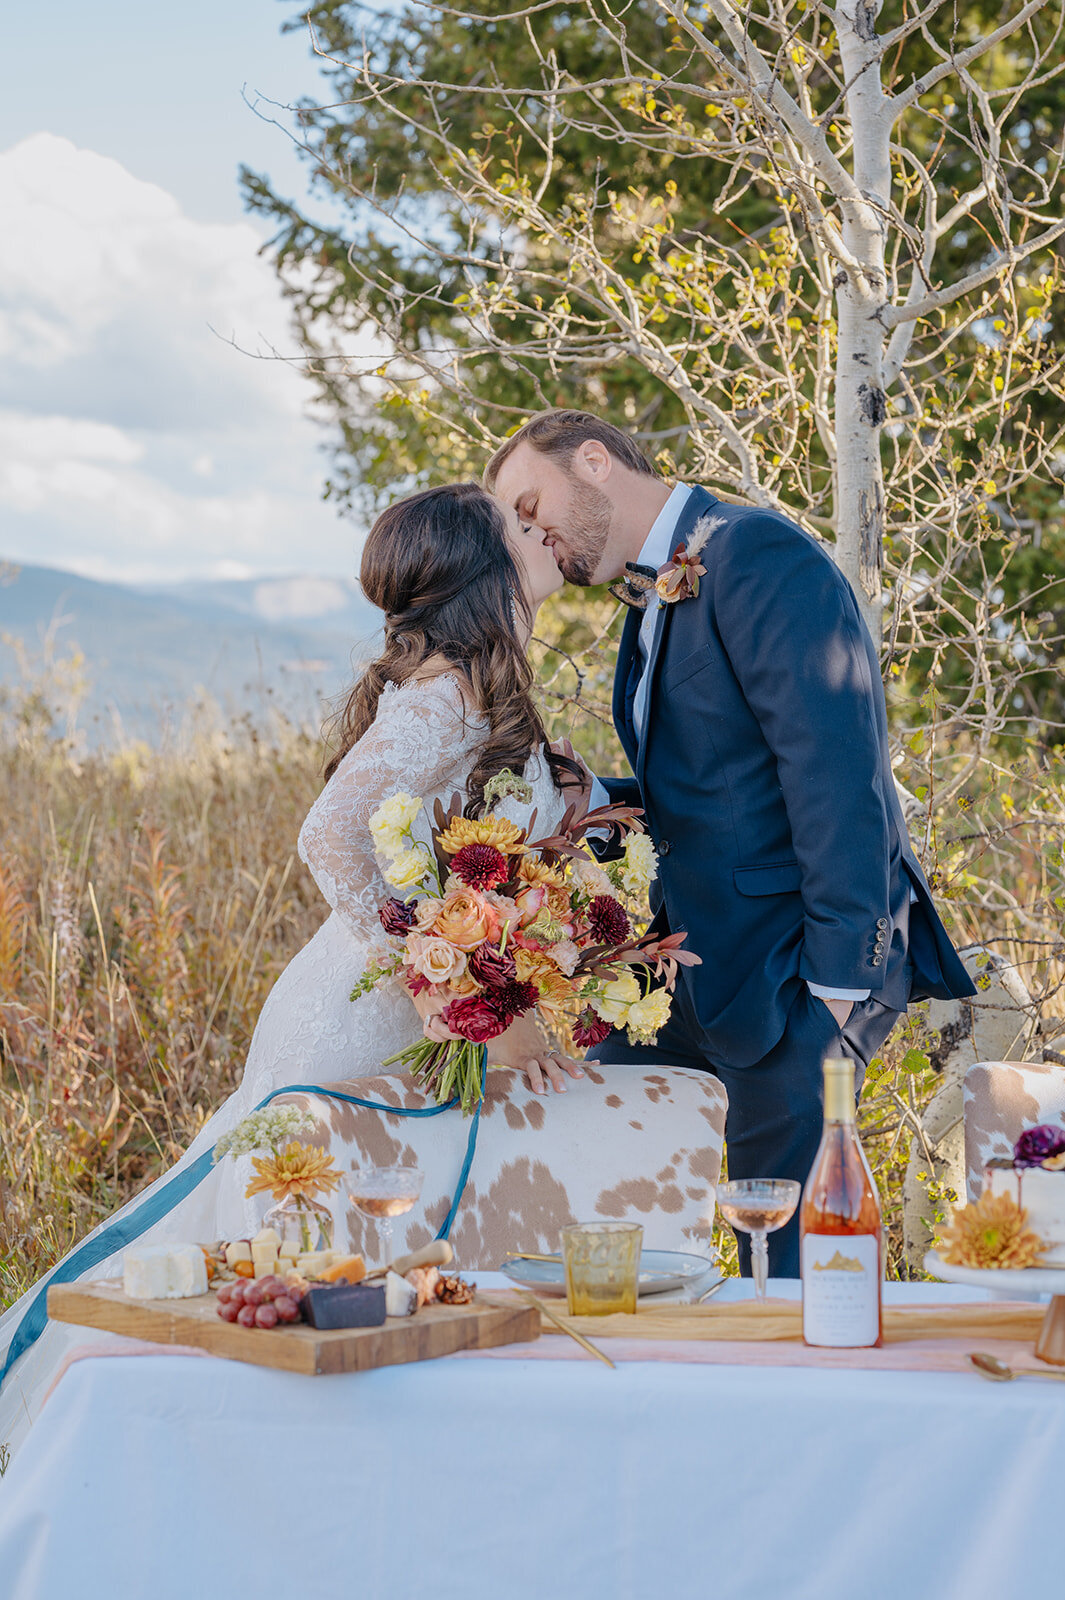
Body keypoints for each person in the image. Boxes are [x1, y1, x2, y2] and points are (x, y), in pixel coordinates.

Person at [0, 482, 585, 1452]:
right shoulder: (442, 701)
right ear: (485, 575)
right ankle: (159, 1435)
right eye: (521, 528)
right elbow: (330, 837)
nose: (541, 531)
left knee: (356, 1237)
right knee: (281, 1221)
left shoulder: (478, 697)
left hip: (407, 1011)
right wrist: (436, 978)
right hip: (356, 1016)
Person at [487, 410, 977, 1276]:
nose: (535, 535)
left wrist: (835, 988)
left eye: (533, 506)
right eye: (519, 528)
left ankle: (801, 1407)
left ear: (593, 461)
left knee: (781, 1264)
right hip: (681, 974)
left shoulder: (755, 556)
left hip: (794, 975)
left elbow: (838, 776)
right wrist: (597, 800)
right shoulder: (650, 596)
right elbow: (716, 787)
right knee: (595, 1176)